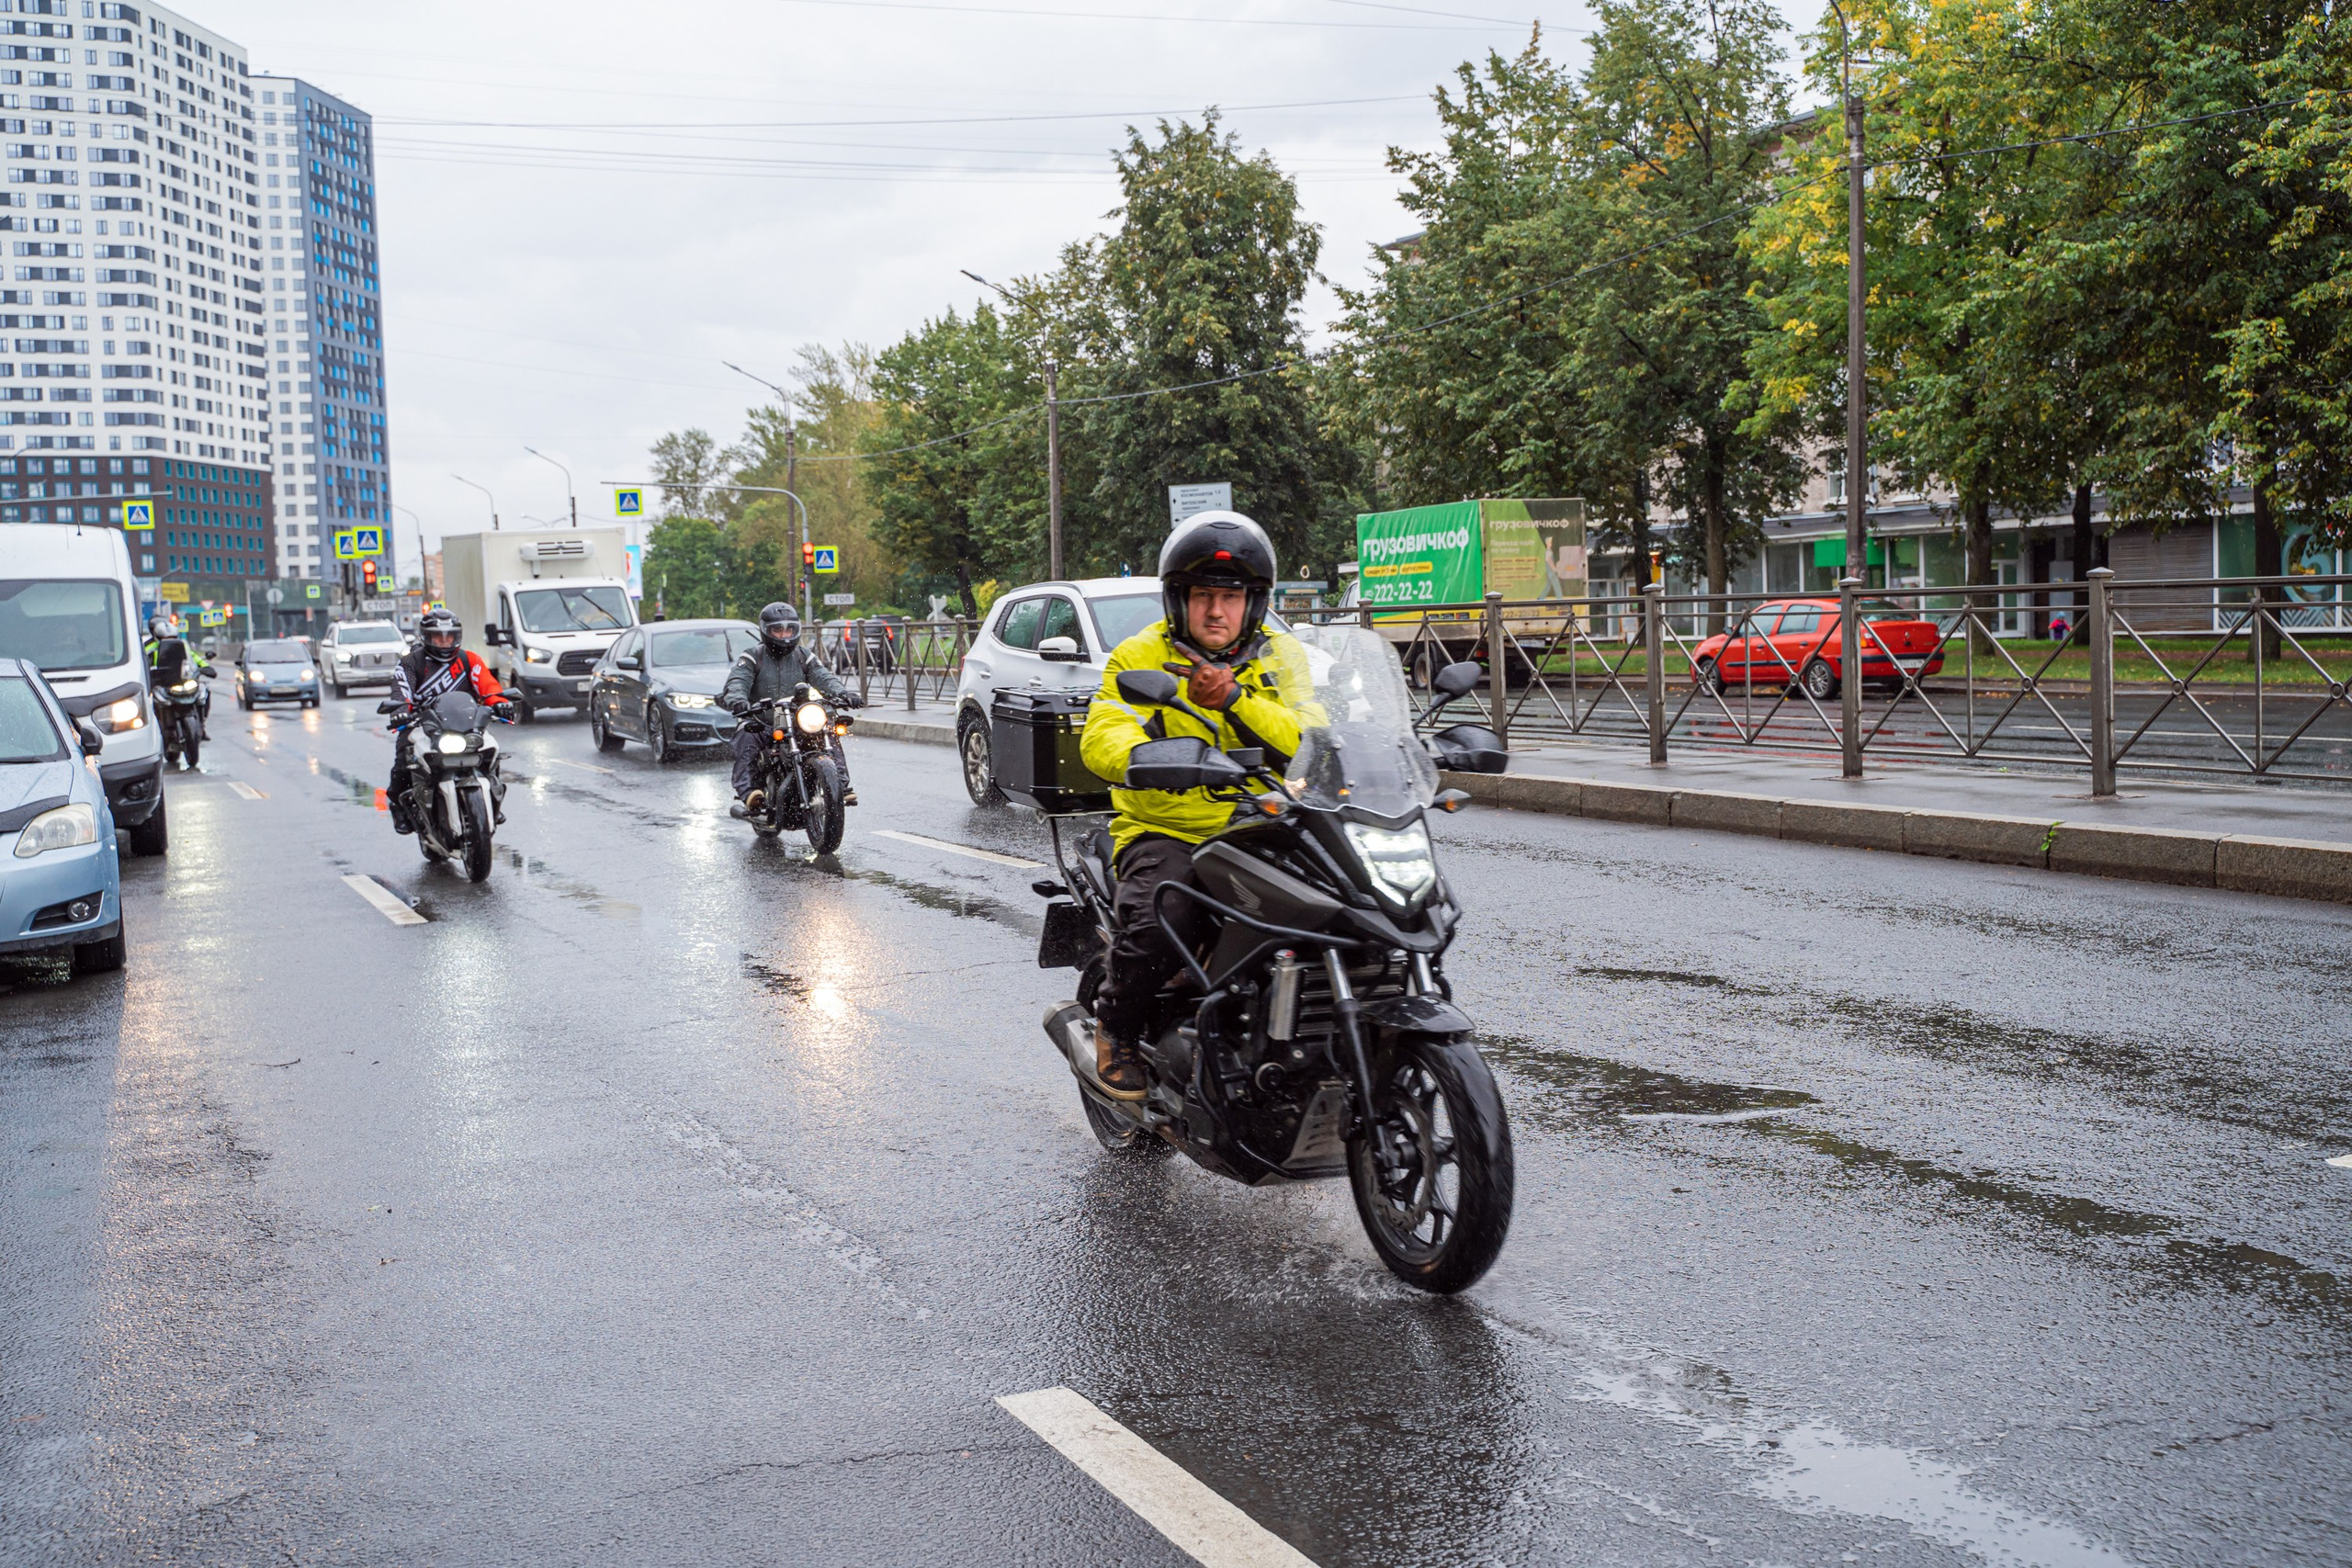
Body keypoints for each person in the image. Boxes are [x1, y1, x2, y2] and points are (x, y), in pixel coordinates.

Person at [1078, 511, 1317, 1100]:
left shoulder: (1281, 657)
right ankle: (1118, 1028)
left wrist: (1236, 697)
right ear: (1178, 600)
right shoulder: (1139, 656)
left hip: (1265, 826)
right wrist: (1148, 759)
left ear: (1253, 602)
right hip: (1169, 829)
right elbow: (1104, 733)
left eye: (1231, 597)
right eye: (1204, 596)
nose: (1217, 612)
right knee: (1170, 914)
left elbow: (1315, 740)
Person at [721, 602, 864, 815]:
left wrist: (844, 694)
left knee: (828, 732)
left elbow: (824, 678)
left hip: (797, 719)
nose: (784, 635)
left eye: (789, 629)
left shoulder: (803, 655)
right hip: (763, 720)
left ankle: (840, 786)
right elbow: (737, 682)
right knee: (746, 735)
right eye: (777, 630)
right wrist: (738, 700)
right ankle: (750, 792)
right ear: (765, 630)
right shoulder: (752, 656)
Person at [385, 608, 513, 834]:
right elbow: (401, 690)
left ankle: (493, 800)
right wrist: (401, 711)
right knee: (404, 759)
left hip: (466, 723)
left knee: (491, 750)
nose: (444, 642)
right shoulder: (411, 663)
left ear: (457, 637)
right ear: (426, 637)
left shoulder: (469, 659)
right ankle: (398, 806)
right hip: (423, 724)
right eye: (438, 637)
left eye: (449, 637)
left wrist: (499, 702)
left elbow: (487, 684)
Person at [142, 615, 212, 739]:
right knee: (149, 701)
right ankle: (155, 731)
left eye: (172, 637)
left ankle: (201, 726)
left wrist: (205, 667)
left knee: (204, 690)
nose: (170, 639)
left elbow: (192, 656)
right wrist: (146, 671)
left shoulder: (181, 645)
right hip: (162, 682)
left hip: (182, 679)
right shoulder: (148, 647)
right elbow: (143, 663)